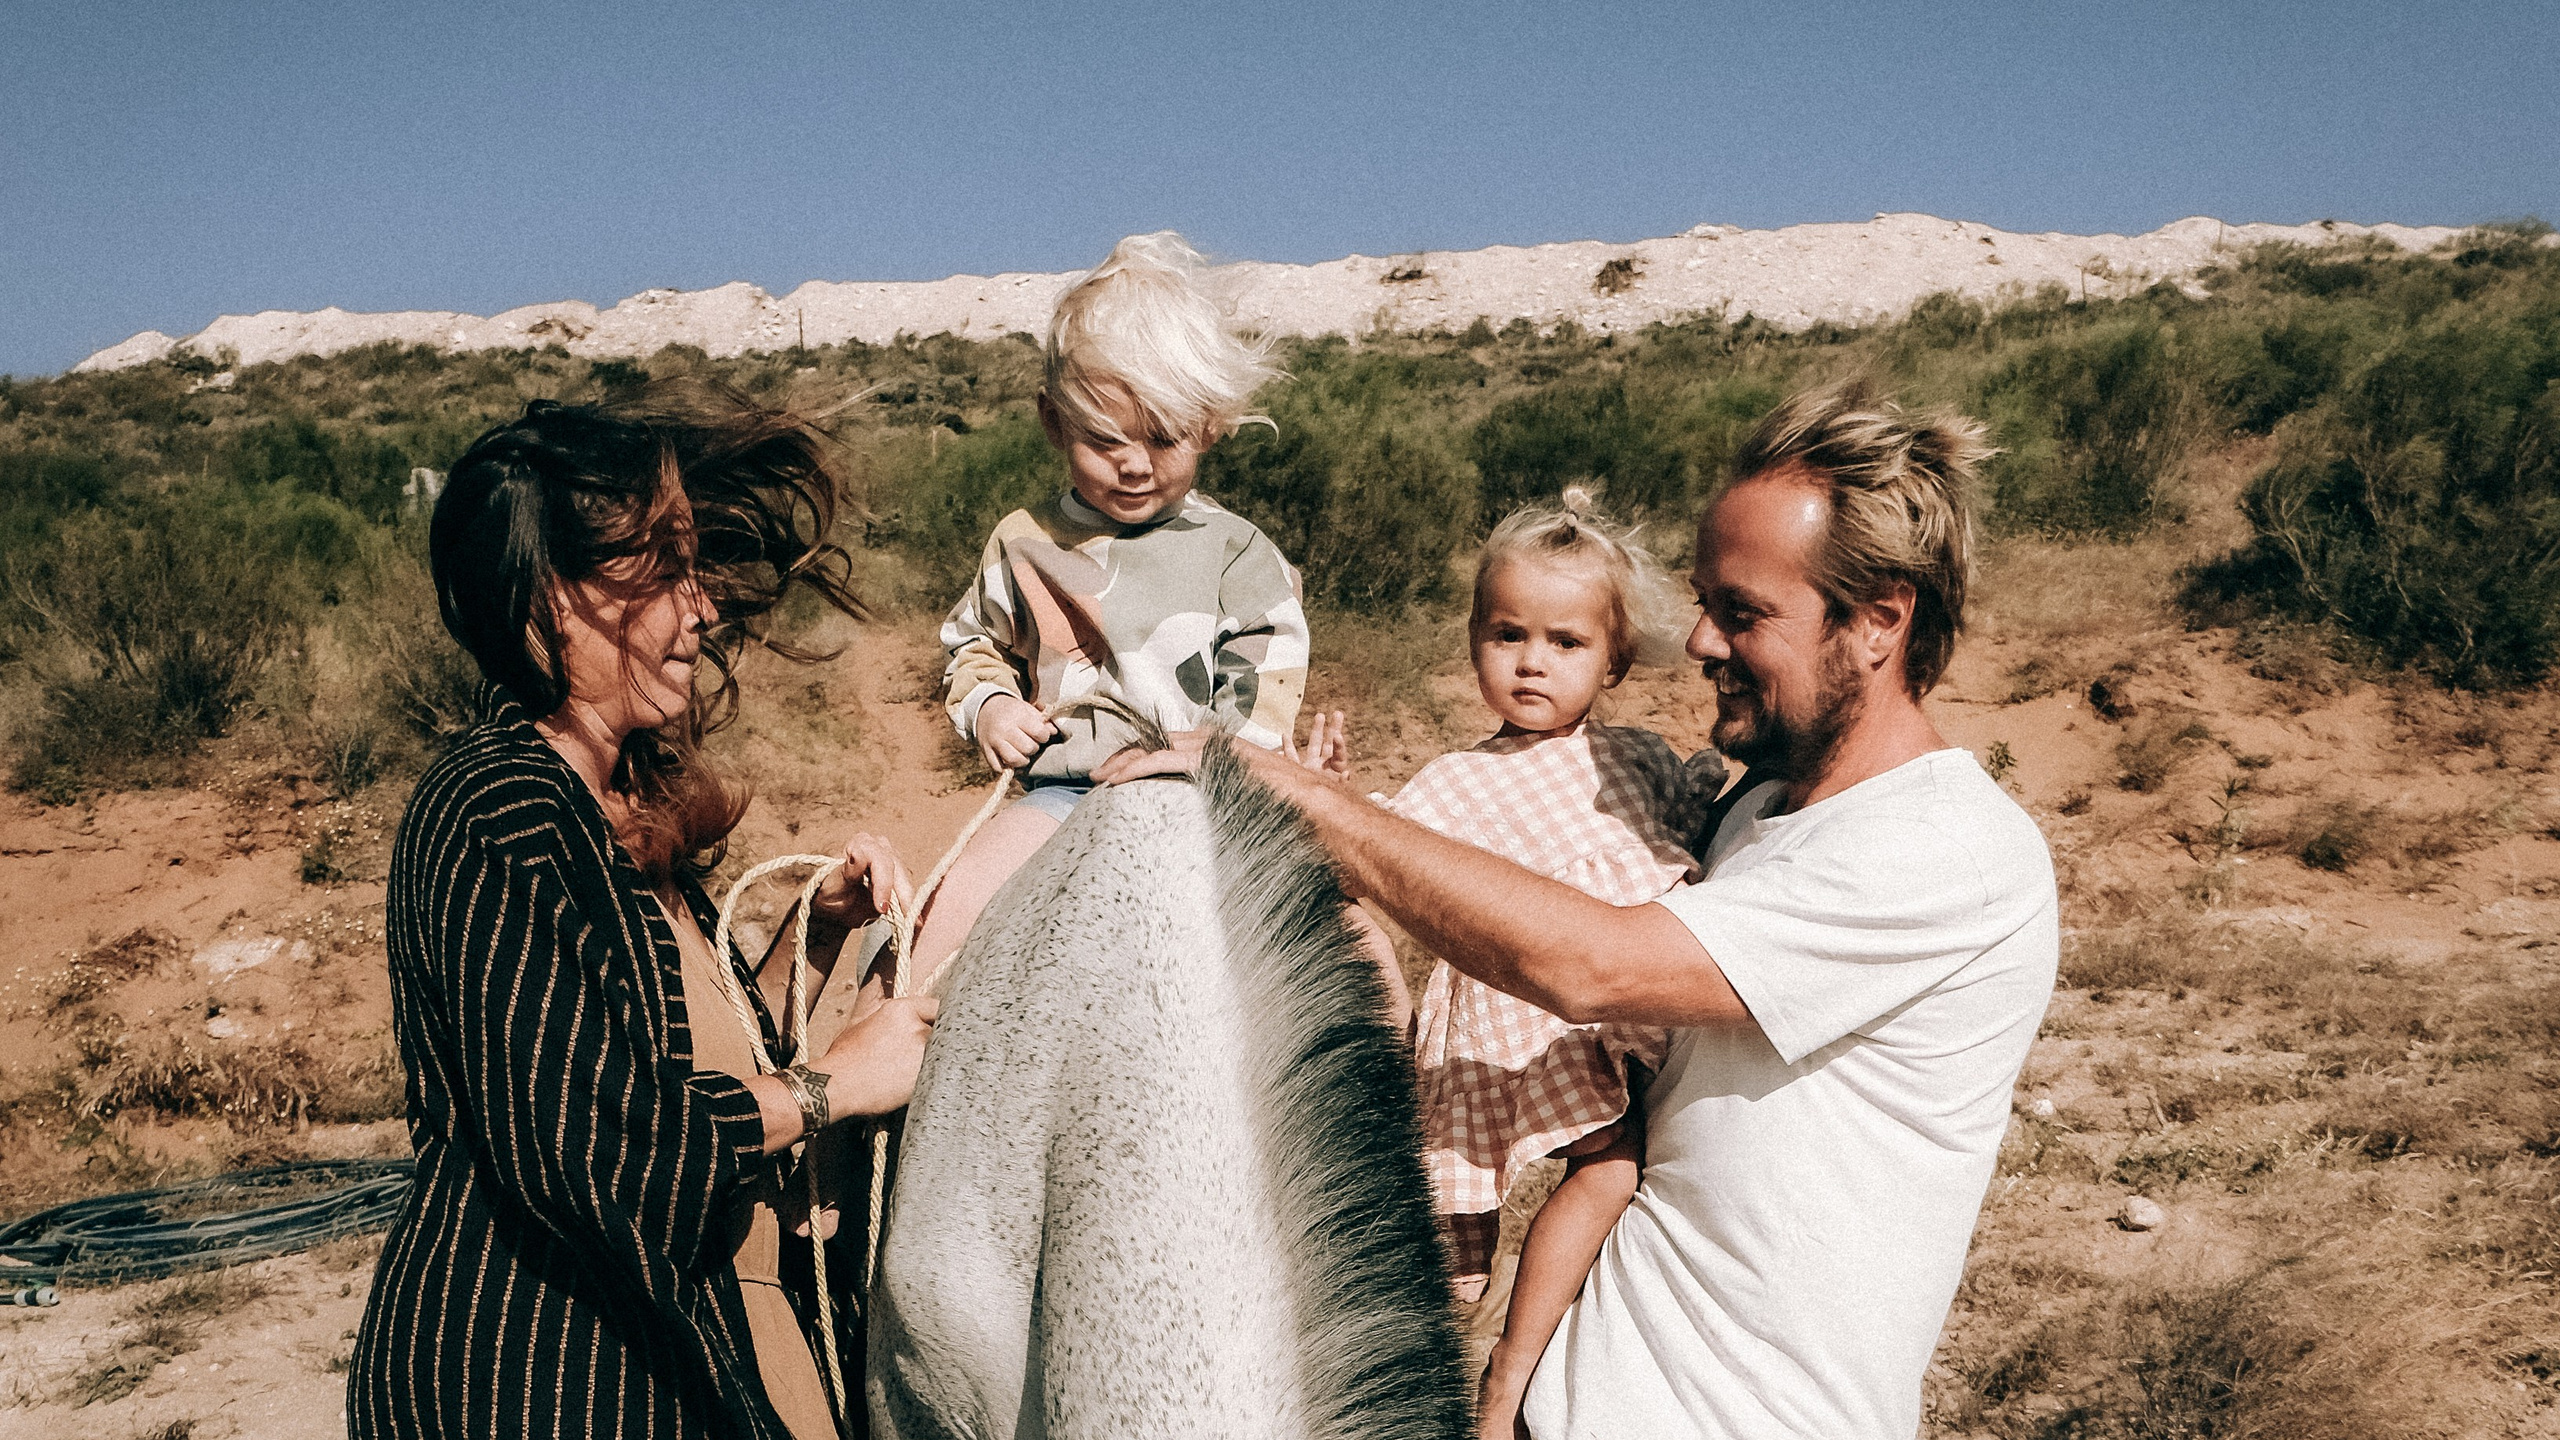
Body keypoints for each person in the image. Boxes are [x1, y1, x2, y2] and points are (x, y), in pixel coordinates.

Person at [1218, 380, 2060, 1438]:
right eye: (1705, 600)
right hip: (1581, 1401)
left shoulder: (1942, 852)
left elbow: (1593, 965)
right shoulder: (1751, 803)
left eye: (1742, 612)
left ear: (1879, 621)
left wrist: (1312, 802)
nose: (1701, 640)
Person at [350, 385, 939, 1440]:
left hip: (693, 1354)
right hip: (545, 1382)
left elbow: (686, 1070)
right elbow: (603, 1147)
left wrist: (818, 931)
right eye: (665, 571)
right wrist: (831, 1086)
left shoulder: (610, 811)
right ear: (555, 598)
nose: (701, 607)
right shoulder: (496, 808)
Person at [1362, 489, 1725, 1440]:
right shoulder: (1452, 781)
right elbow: (1376, 861)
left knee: (1612, 1165)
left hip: (1614, 999)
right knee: (1459, 1239)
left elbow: (1689, 831)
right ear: (1474, 639)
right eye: (1506, 634)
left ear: (1615, 660)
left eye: (1565, 643)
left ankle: (1509, 1375)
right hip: (1512, 1014)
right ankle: (1426, 1383)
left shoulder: (1635, 758)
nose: (1531, 662)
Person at [907, 231, 1308, 975]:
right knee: (936, 918)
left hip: (1206, 809)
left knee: (1350, 957)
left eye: (1163, 438)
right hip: (1064, 798)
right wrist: (991, 707)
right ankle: (875, 1069)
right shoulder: (1024, 543)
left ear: (1211, 424)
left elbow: (1265, 682)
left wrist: (1208, 759)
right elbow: (972, 645)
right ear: (1054, 422)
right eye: (1103, 439)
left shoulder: (1238, 552)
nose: (1132, 463)